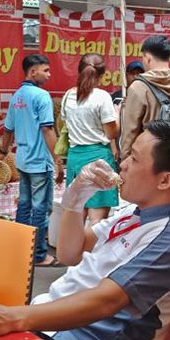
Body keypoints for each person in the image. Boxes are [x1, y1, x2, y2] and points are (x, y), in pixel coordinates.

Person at [0, 120, 170, 340]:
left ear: (165, 181)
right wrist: (75, 198)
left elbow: (106, 301)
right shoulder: (136, 213)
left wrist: (11, 317)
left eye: (135, 159)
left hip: (83, 339)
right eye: (128, 155)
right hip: (50, 322)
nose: (123, 164)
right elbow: (70, 252)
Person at [0, 54, 63, 267]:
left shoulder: (17, 97)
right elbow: (48, 129)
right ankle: (39, 256)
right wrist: (58, 160)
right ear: (33, 71)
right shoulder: (42, 96)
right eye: (46, 70)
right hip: (39, 162)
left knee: (24, 207)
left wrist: (3, 152)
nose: (49, 74)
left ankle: (21, 250)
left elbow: (8, 129)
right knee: (41, 209)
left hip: (23, 161)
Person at [60, 54, 120, 225]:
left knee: (76, 216)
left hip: (75, 157)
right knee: (97, 221)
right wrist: (118, 115)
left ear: (79, 70)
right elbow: (111, 134)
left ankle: (76, 252)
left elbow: (65, 123)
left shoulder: (68, 96)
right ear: (102, 74)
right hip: (99, 158)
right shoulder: (102, 97)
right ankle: (92, 252)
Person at [119, 36, 170, 161]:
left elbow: (130, 132)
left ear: (148, 58)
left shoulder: (138, 87)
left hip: (151, 162)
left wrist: (125, 160)